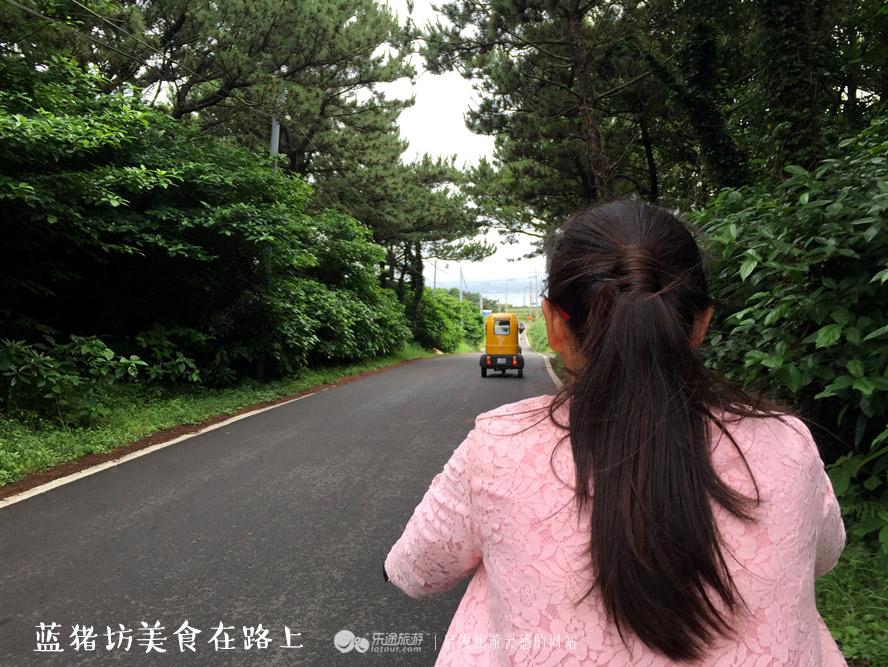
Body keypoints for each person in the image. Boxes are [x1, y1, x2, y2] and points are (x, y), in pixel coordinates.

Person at [383, 200, 846, 666]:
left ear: (554, 324)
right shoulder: (789, 441)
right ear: (701, 323)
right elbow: (824, 553)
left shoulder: (501, 446)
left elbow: (416, 571)